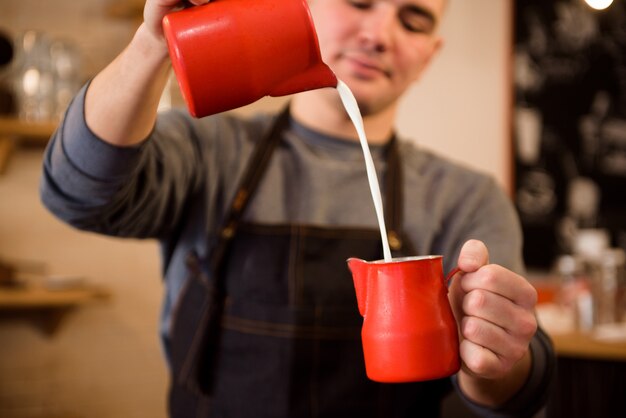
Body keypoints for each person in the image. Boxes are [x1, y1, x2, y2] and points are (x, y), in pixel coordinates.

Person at [40, 0, 555, 417]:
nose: (380, 34)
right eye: (360, 1)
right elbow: (75, 194)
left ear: (430, 54)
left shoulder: (466, 197)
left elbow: (515, 393)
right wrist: (153, 45)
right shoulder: (209, 151)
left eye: (413, 19)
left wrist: (495, 357)